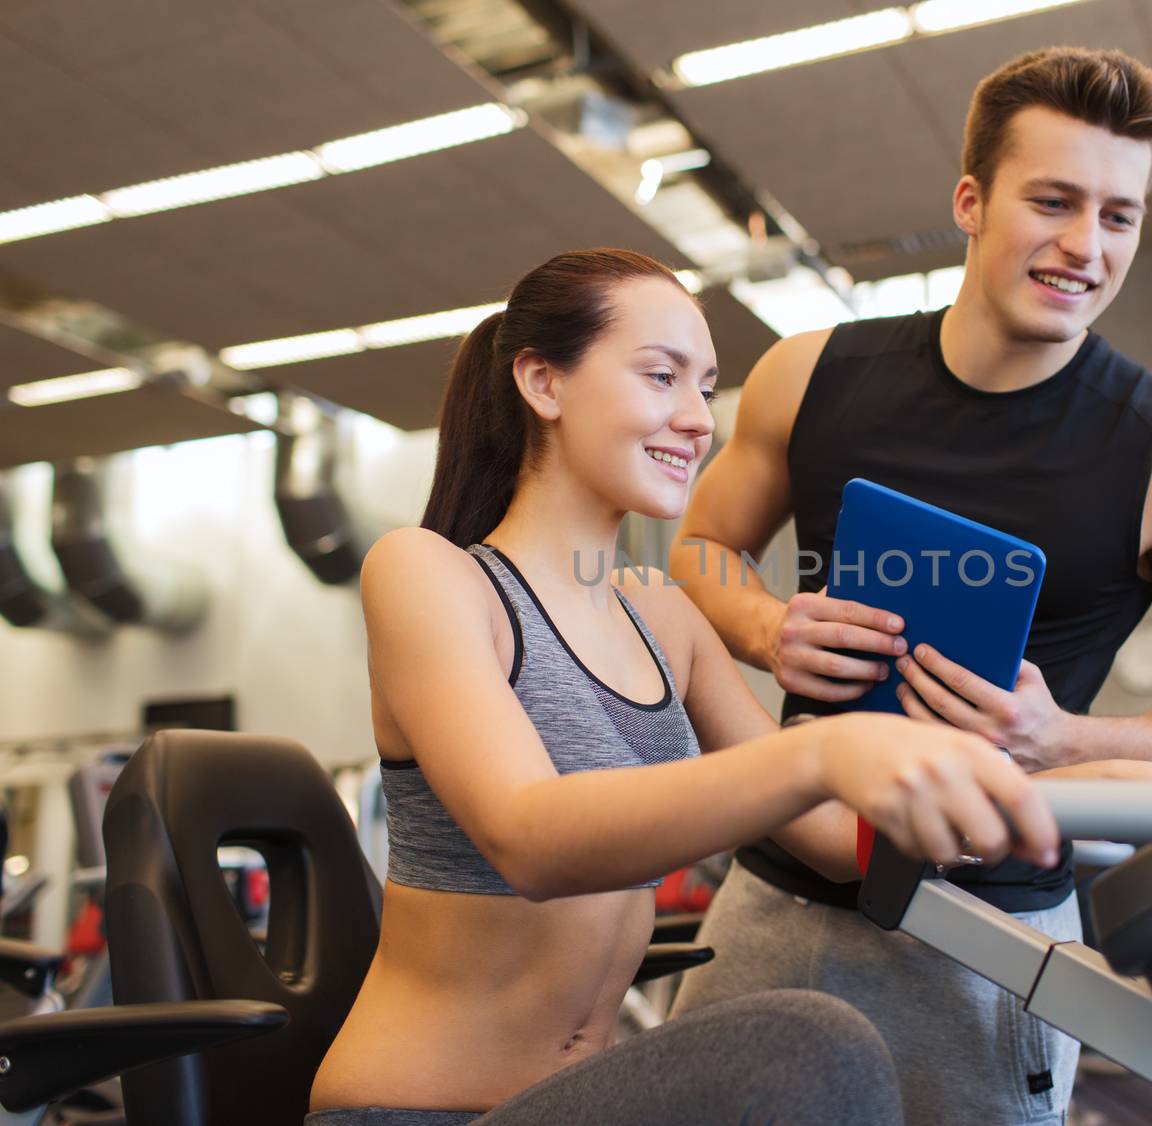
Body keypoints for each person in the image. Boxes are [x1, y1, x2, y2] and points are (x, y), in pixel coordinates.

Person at [667, 47, 1152, 1125]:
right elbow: (700, 548)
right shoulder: (811, 375)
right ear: (970, 202)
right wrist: (766, 624)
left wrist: (1068, 739)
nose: (1083, 246)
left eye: (1118, 216)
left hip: (994, 941)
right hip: (773, 899)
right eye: (1051, 201)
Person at [305, 248, 1070, 1126]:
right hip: (419, 1112)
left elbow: (829, 840)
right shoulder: (429, 575)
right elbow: (532, 839)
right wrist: (827, 748)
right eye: (662, 376)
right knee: (806, 1046)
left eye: (706, 388)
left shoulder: (660, 615)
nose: (697, 419)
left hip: (574, 1101)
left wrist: (990, 776)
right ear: (543, 383)